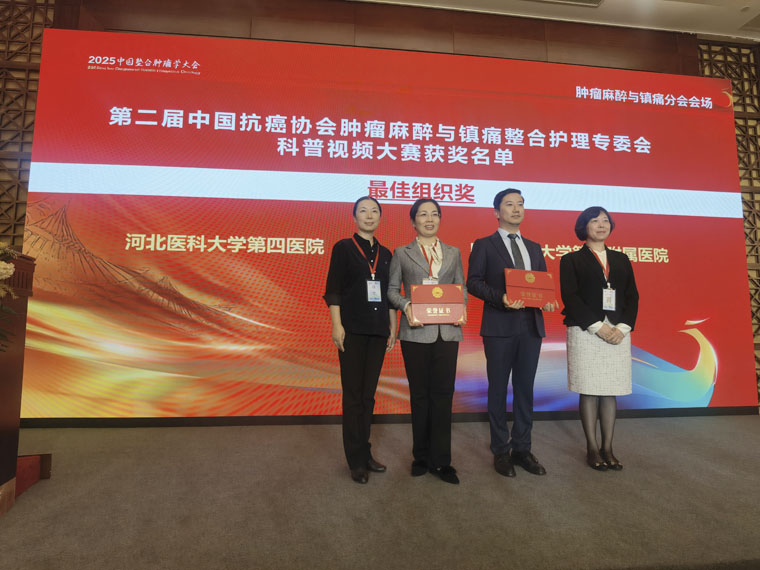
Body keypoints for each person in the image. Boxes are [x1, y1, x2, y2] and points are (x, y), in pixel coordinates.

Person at [466, 188, 556, 478]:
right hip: (499, 327)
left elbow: (541, 284)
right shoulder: (484, 245)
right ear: (497, 212)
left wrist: (548, 300)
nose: (516, 209)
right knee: (497, 389)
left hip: (531, 326)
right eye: (509, 204)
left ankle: (522, 448)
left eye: (520, 204)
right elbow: (473, 282)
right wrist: (501, 298)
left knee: (525, 389)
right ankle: (500, 450)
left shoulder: (534, 247)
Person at [388, 198, 466, 485]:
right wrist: (407, 305)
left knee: (443, 395)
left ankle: (442, 461)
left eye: (434, 214)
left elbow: (461, 287)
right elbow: (391, 290)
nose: (429, 219)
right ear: (413, 221)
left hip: (447, 331)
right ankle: (420, 457)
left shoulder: (454, 252)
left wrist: (461, 308)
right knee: (420, 395)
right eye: (423, 214)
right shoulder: (402, 253)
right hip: (415, 333)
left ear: (440, 219)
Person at [324, 196, 397, 484]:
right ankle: (355, 460)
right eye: (363, 211)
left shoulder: (386, 253)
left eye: (374, 211)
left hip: (378, 331)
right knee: (353, 396)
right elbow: (333, 289)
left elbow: (389, 293)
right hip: (352, 330)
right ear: (354, 217)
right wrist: (337, 325)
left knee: (368, 396)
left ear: (380, 217)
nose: (369, 215)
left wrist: (393, 327)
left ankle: (366, 453)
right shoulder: (343, 248)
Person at [559, 207, 638, 471]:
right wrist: (597, 327)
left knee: (609, 390)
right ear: (584, 226)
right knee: (590, 389)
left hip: (617, 332)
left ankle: (608, 448)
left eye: (605, 220)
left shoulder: (621, 259)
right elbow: (570, 297)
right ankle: (592, 449)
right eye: (595, 220)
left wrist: (622, 328)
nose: (601, 225)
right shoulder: (571, 260)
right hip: (586, 331)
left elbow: (632, 296)